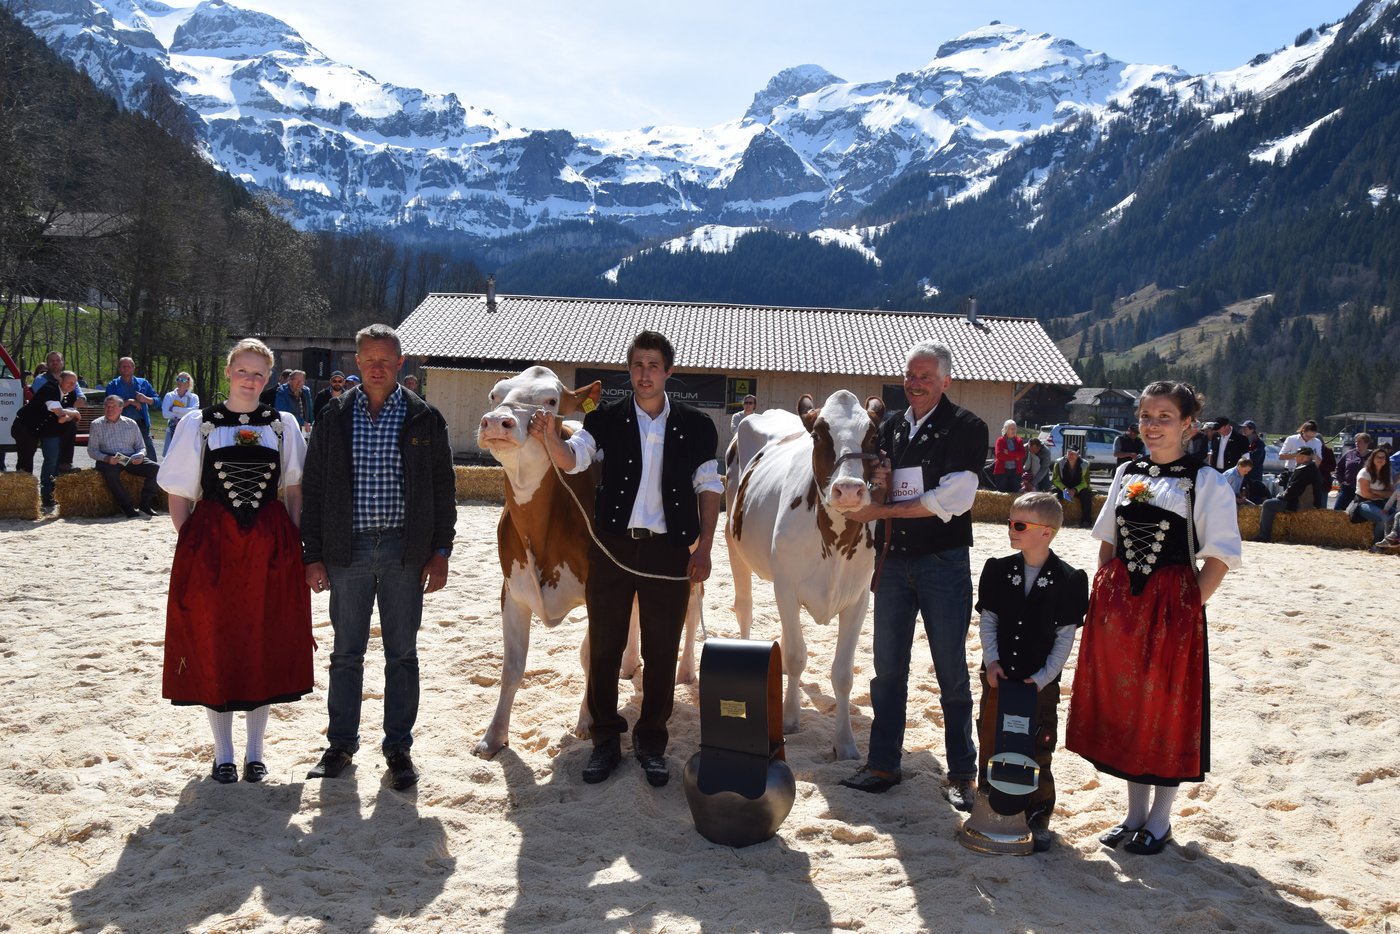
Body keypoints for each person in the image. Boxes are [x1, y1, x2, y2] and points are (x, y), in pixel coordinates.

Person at [532, 330, 721, 787]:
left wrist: (706, 549)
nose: (644, 374)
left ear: (669, 372)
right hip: (613, 548)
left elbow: (709, 487)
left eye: (653, 365)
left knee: (661, 651)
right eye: (637, 365)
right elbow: (574, 459)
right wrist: (550, 436)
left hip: (670, 550)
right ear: (629, 371)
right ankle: (604, 742)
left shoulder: (697, 425)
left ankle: (652, 743)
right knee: (605, 647)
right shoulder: (608, 419)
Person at [1066, 380, 1241, 856]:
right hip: (1120, 605)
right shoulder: (1127, 472)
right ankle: (1133, 816)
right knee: (1128, 707)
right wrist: (1104, 594)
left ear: (1188, 424)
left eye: (1164, 417)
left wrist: (1187, 610)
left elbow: (1220, 557)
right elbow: (1108, 538)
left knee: (1165, 706)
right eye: (1146, 416)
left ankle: (1160, 821)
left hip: (1171, 608)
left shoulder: (1205, 481)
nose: (1152, 425)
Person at [302, 324, 455, 791]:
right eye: (369, 358)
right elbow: (313, 488)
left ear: (400, 364)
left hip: (402, 552)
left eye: (386, 359)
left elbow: (443, 489)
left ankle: (398, 748)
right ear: (357, 362)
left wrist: (441, 550)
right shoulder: (333, 417)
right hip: (345, 551)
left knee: (402, 655)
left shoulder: (425, 418)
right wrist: (313, 553)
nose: (376, 367)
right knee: (345, 653)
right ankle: (341, 745)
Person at [838, 340, 987, 811]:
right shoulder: (895, 428)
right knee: (887, 670)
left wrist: (882, 510)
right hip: (895, 562)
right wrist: (878, 478)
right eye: (910, 375)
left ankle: (963, 773)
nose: (915, 383)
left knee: (951, 672)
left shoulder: (968, 427)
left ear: (946, 381)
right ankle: (883, 763)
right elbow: (886, 481)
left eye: (926, 376)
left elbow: (956, 497)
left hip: (943, 563)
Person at [157, 339, 313, 784]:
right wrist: (190, 541)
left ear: (269, 379)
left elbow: (294, 490)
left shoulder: (281, 425)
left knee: (262, 638)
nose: (250, 380)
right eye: (243, 371)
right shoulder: (199, 424)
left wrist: (293, 541)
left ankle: (255, 752)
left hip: (269, 543)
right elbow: (179, 492)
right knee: (213, 638)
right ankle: (223, 752)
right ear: (229, 372)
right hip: (212, 545)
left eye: (259, 374)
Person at [974, 492, 1088, 852]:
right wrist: (991, 661)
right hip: (998, 676)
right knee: (991, 738)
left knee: (1038, 745)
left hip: (1040, 683)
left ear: (1047, 532)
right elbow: (988, 621)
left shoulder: (1070, 579)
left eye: (1020, 525)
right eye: (1010, 522)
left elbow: (1064, 638)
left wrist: (1044, 678)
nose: (1012, 529)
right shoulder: (997, 569)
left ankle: (1038, 815)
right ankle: (988, 805)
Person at [11, 369, 81, 510]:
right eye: (69, 382)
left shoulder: (71, 394)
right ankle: (24, 498)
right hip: (26, 427)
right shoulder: (50, 388)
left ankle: (47, 495)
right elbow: (61, 414)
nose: (71, 386)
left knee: (52, 460)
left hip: (47, 429)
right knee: (25, 463)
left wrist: (70, 415)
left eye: (74, 384)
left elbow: (62, 420)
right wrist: (74, 412)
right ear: (60, 380)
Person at [88, 395, 161, 518]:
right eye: (107, 406)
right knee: (111, 474)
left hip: (129, 457)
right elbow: (92, 451)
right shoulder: (96, 424)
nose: (109, 409)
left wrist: (141, 456)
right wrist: (107, 459)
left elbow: (141, 446)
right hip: (109, 458)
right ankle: (127, 507)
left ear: (121, 408)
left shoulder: (131, 423)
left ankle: (146, 504)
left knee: (155, 468)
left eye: (113, 407)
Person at [1253, 445, 1322, 543]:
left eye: (1297, 456)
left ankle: (1264, 536)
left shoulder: (1304, 470)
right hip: (1309, 502)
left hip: (1300, 503)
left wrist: (1280, 495)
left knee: (1268, 504)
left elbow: (1292, 492)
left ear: (1302, 457)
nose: (1296, 458)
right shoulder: (1312, 468)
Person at [31, 351, 85, 473]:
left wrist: (70, 412)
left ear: (62, 363)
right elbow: (49, 404)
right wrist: (72, 412)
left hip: (63, 420)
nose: (55, 363)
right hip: (45, 422)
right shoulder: (42, 381)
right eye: (52, 361)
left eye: (58, 360)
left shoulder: (69, 377)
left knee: (70, 427)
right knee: (51, 459)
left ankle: (65, 465)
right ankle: (46, 490)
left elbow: (80, 400)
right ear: (47, 363)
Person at [105, 357, 158, 460]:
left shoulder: (143, 383)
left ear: (133, 368)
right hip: (119, 424)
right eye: (123, 366)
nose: (126, 369)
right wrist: (129, 402)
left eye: (128, 366)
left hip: (141, 423)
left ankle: (153, 473)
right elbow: (110, 405)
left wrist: (146, 399)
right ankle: (124, 471)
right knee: (120, 451)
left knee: (148, 449)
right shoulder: (112, 385)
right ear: (119, 369)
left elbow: (158, 401)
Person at [1351, 447, 1395, 545]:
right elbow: (1366, 494)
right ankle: (1377, 545)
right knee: (1383, 517)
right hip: (1363, 503)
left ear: (1386, 460)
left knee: (1397, 514)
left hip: (1380, 503)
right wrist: (1383, 493)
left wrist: (1375, 491)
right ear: (1372, 458)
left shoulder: (1387, 473)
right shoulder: (1365, 472)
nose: (1380, 459)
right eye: (1378, 457)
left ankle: (1393, 542)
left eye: (1383, 457)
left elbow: (1391, 493)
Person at [1051, 446, 1095, 529]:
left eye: (1073, 454)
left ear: (1078, 454)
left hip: (1078, 488)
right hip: (1063, 487)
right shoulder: (1058, 463)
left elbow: (1085, 482)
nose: (1071, 456)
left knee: (1086, 494)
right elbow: (1055, 480)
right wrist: (1065, 489)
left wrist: (1075, 490)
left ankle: (1086, 521)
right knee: (1053, 495)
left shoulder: (1085, 464)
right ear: (1066, 454)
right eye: (1069, 453)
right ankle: (1052, 520)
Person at [160, 372, 200, 457]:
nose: (180, 381)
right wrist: (184, 413)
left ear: (188, 382)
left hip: (188, 429)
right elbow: (165, 414)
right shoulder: (169, 396)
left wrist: (175, 409)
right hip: (172, 429)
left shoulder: (194, 397)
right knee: (170, 456)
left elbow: (194, 411)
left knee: (185, 456)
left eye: (183, 380)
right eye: (178, 379)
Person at [1333, 433, 1372, 513]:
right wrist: (1341, 481)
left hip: (1364, 489)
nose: (1356, 443)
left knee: (1359, 512)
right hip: (1348, 487)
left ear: (1366, 443)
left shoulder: (1373, 455)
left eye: (1360, 441)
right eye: (1356, 441)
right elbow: (1339, 468)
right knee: (1337, 510)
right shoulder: (1349, 454)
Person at [1278, 420, 1324, 487]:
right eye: (1307, 436)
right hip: (1292, 472)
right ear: (1303, 431)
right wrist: (1297, 455)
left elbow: (1319, 462)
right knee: (1290, 496)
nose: (1309, 438)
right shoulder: (1291, 439)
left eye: (1312, 437)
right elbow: (1281, 456)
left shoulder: (1317, 442)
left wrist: (1313, 456)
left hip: (1309, 474)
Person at [991, 420, 1026, 493]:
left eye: (1015, 429)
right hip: (1002, 471)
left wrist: (1009, 453)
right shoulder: (1000, 440)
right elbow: (999, 455)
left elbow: (1022, 454)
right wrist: (1015, 457)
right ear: (1006, 430)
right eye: (1012, 429)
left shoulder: (1019, 440)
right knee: (1001, 493)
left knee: (1014, 492)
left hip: (1015, 472)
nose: (1014, 430)